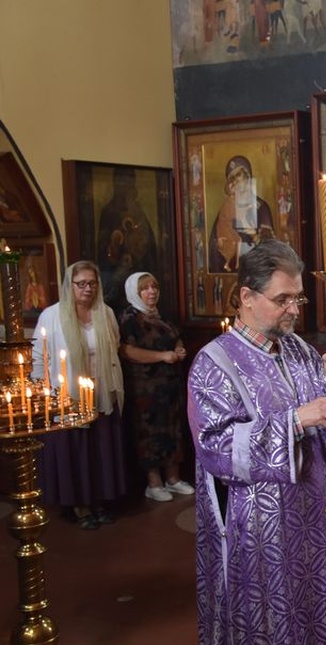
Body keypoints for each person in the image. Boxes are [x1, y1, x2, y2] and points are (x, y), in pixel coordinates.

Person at [187, 240, 326, 645]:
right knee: (272, 633)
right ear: (247, 297)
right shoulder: (214, 364)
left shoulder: (301, 351)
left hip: (315, 522)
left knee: (322, 623)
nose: (292, 310)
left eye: (297, 298)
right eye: (282, 299)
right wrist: (295, 420)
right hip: (261, 536)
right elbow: (216, 449)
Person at [32, 261, 126, 530]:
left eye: (92, 283)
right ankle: (79, 505)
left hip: (101, 392)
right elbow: (39, 356)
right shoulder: (51, 315)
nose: (87, 289)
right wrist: (43, 393)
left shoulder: (105, 313)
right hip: (68, 395)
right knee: (75, 449)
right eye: (81, 283)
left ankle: (99, 500)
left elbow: (115, 344)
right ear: (69, 285)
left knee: (99, 448)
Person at [118, 272, 193, 502]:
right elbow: (127, 351)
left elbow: (175, 337)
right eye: (145, 288)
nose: (152, 292)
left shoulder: (162, 315)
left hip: (170, 385)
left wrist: (179, 349)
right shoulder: (129, 318)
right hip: (145, 388)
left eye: (154, 287)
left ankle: (173, 478)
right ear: (135, 292)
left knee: (173, 429)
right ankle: (154, 483)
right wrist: (162, 356)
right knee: (149, 433)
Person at [96, 166, 159, 312]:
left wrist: (138, 254)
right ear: (115, 183)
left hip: (138, 267)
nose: (126, 186)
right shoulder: (108, 212)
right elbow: (104, 247)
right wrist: (117, 253)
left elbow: (148, 242)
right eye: (122, 182)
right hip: (116, 270)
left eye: (130, 182)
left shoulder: (137, 211)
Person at [208, 155, 276, 273]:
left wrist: (254, 236)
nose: (236, 183)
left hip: (254, 273)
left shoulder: (261, 208)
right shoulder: (226, 208)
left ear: (248, 178)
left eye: (239, 176)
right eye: (232, 179)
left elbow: (270, 248)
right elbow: (213, 247)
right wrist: (220, 243)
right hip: (230, 271)